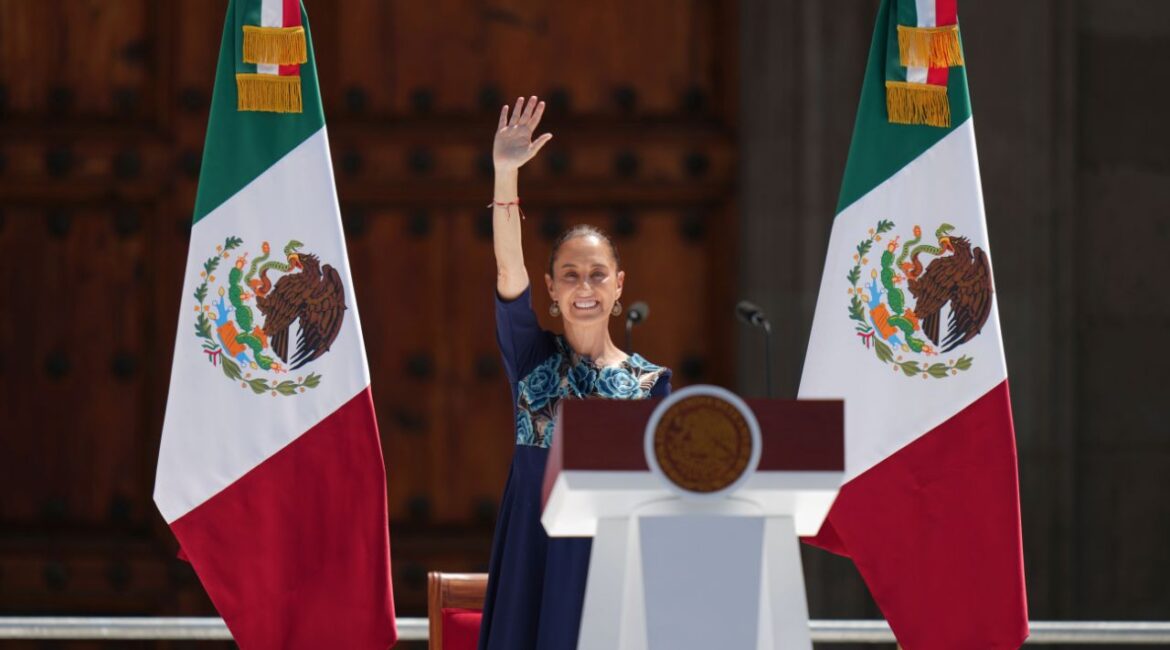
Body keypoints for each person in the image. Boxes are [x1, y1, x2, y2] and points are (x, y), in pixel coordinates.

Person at [477, 95, 673, 650]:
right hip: (534, 552)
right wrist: (505, 173)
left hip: (612, 562)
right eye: (569, 275)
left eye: (596, 275)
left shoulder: (650, 384)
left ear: (618, 286)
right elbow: (508, 265)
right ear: (553, 290)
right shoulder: (531, 356)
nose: (583, 287)